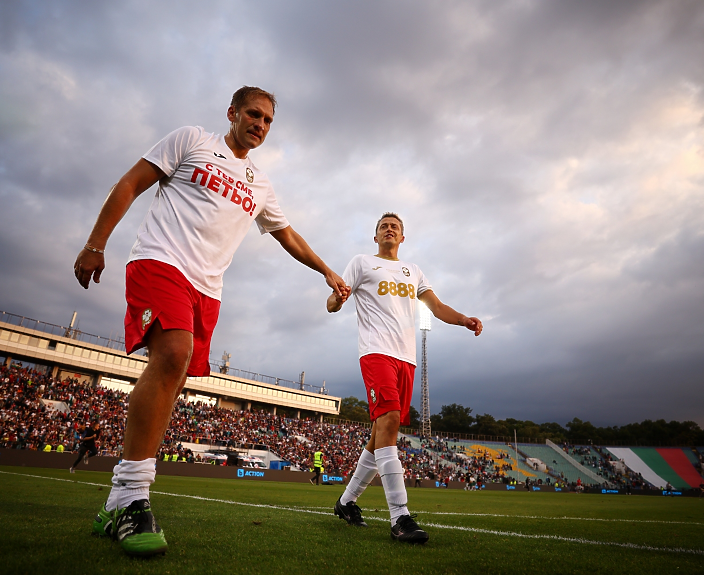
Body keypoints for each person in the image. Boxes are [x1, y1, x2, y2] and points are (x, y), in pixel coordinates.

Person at [75, 86, 349, 557]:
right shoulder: (192, 140)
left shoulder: (259, 184)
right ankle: (135, 497)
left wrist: (325, 269)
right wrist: (96, 242)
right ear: (232, 113)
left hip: (208, 290)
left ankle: (118, 500)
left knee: (174, 373)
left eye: (267, 121)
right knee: (173, 354)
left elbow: (288, 235)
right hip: (160, 263)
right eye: (253, 114)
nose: (259, 125)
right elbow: (129, 184)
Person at [328, 213, 482, 544]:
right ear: (375, 237)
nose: (389, 229)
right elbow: (333, 302)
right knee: (391, 420)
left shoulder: (413, 271)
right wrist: (336, 299)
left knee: (382, 431)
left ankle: (346, 502)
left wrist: (464, 320)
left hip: (406, 360)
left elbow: (437, 306)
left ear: (402, 238)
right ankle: (400, 517)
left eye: (394, 227)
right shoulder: (361, 263)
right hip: (376, 352)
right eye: (383, 226)